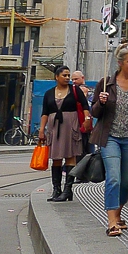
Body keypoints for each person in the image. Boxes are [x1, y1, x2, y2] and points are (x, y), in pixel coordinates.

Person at [91, 44, 128, 236]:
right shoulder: (106, 83)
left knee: (127, 180)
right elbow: (94, 112)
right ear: (120, 62)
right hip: (110, 138)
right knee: (113, 177)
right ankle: (112, 220)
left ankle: (118, 212)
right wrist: (101, 102)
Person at [40, 67, 88, 201]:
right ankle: (56, 190)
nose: (67, 78)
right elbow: (45, 112)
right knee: (56, 157)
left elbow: (85, 106)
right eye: (64, 75)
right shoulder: (49, 93)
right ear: (56, 77)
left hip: (70, 127)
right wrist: (41, 130)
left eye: (68, 75)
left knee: (70, 156)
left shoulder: (75, 90)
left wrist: (87, 120)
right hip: (54, 127)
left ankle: (68, 190)